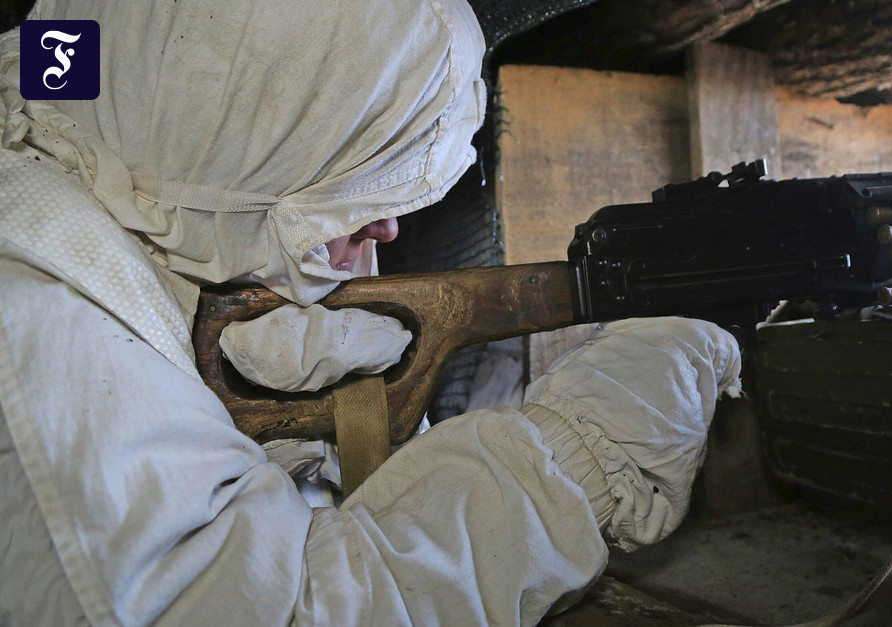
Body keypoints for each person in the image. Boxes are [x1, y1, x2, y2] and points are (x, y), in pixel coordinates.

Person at [0, 0, 742, 624]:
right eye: (351, 178)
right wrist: (579, 455)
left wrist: (289, 449)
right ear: (224, 130)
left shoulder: (72, 127)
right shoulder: (36, 333)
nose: (389, 227)